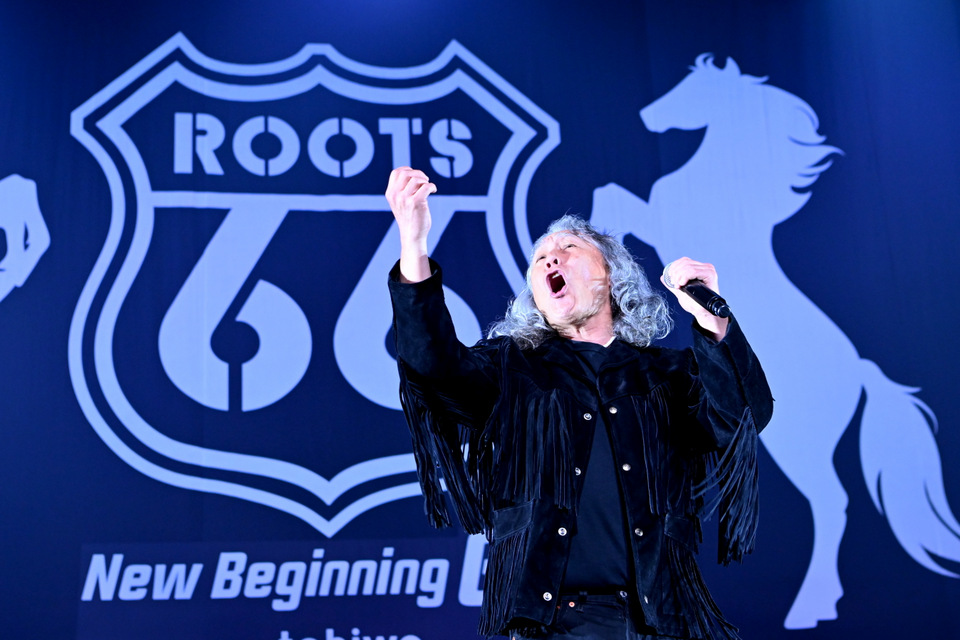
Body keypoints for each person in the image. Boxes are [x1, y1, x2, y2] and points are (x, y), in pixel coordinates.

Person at [386, 167, 773, 640]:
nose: (551, 258)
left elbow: (743, 416)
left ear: (610, 276)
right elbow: (432, 365)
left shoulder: (668, 374)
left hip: (660, 621)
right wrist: (413, 242)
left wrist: (712, 321)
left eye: (568, 248)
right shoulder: (512, 369)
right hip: (552, 625)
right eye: (540, 258)